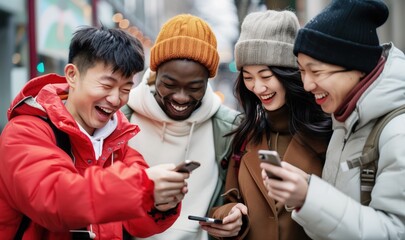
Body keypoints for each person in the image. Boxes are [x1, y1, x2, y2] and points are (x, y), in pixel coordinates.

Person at [0, 25, 190, 240]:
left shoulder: (118, 143)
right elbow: (54, 200)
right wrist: (142, 185)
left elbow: (137, 225)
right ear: (72, 75)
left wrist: (161, 203)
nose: (116, 99)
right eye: (106, 85)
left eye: (126, 89)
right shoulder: (25, 133)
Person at [261, 1, 405, 239]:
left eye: (316, 72)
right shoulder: (343, 119)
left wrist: (310, 196)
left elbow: (394, 232)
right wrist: (304, 190)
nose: (307, 85)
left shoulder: (398, 132)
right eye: (301, 71)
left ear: (357, 67)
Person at [201, 10, 332, 240]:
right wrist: (229, 217)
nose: (258, 88)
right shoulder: (245, 136)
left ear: (290, 73)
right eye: (248, 77)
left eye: (266, 75)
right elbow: (230, 200)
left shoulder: (329, 134)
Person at [124, 14, 240, 240]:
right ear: (155, 74)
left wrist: (234, 218)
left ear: (208, 82)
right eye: (169, 84)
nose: (180, 97)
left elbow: (235, 199)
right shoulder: (121, 118)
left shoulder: (228, 128)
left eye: (194, 87)